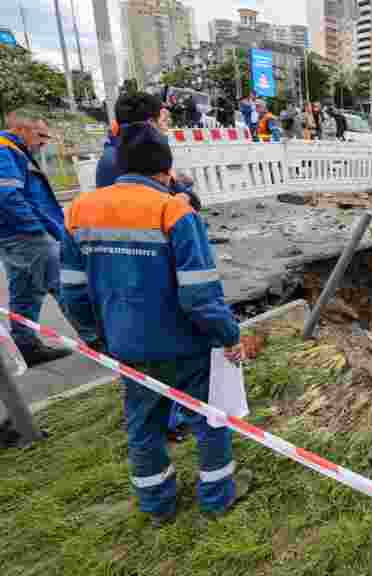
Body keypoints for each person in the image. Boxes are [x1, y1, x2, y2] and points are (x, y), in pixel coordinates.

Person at [60, 92, 252, 526]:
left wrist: (95, 337)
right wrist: (228, 337)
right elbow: (200, 295)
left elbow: (71, 291)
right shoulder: (175, 213)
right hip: (184, 343)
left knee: (144, 424)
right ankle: (217, 495)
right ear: (166, 170)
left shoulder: (78, 212)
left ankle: (157, 505)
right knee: (209, 417)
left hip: (125, 343)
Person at [0, 109, 96, 366]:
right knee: (66, 286)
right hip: (26, 235)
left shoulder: (14, 150)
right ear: (22, 129)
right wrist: (37, 229)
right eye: (41, 135)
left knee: (25, 291)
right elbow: (7, 196)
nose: (44, 141)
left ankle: (26, 346)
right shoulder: (5, 149)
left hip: (15, 236)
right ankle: (100, 343)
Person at [94, 95, 201, 212]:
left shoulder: (122, 152)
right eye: (163, 121)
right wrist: (185, 195)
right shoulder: (123, 159)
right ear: (150, 124)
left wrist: (178, 185)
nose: (166, 127)